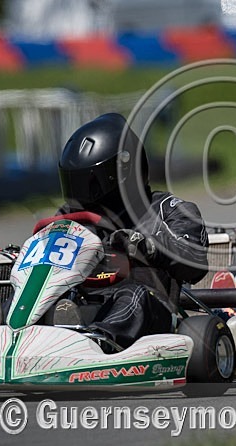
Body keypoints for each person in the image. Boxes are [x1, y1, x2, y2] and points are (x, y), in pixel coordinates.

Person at [52, 112, 209, 350]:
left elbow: (194, 260)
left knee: (133, 295)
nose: (81, 194)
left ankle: (99, 342)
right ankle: (1, 330)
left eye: (89, 184)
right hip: (80, 304)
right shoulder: (70, 216)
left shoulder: (168, 209)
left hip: (150, 313)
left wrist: (149, 246)